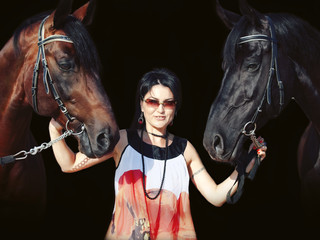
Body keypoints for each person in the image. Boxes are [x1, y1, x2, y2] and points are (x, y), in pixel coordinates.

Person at [49, 68, 267, 240]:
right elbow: (69, 165)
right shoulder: (122, 141)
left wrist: (245, 165)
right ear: (142, 105)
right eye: (153, 101)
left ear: (175, 109)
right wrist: (54, 129)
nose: (160, 109)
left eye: (168, 103)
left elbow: (217, 196)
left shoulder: (185, 149)